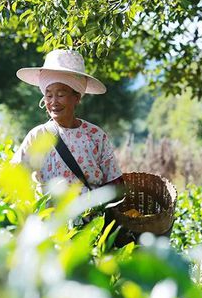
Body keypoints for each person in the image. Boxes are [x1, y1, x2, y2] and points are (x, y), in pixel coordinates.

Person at [11, 49, 121, 193]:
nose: (53, 102)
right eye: (49, 95)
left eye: (61, 95)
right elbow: (14, 176)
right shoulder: (38, 135)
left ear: (77, 97)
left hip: (92, 214)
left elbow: (115, 182)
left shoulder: (95, 135)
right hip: (52, 215)